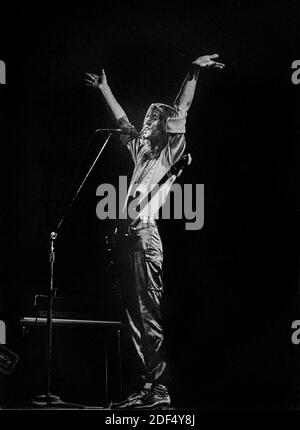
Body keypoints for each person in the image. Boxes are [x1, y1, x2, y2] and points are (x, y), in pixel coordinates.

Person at [85, 54, 225, 409]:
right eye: (146, 116)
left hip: (145, 237)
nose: (146, 121)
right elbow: (123, 122)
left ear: (164, 126)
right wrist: (105, 89)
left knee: (147, 316)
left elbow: (181, 109)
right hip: (128, 239)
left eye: (153, 117)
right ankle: (147, 388)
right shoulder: (143, 155)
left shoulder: (170, 153)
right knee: (134, 318)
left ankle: (160, 391)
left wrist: (192, 72)